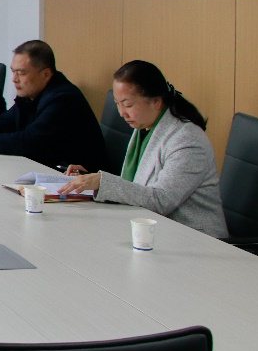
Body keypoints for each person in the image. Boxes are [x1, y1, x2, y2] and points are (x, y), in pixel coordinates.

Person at [59, 61, 227, 237]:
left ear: (156, 102)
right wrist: (89, 180)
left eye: (128, 105)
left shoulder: (187, 141)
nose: (122, 113)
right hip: (154, 231)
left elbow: (161, 201)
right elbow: (137, 187)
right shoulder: (144, 127)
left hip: (194, 239)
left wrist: (102, 182)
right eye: (118, 104)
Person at [0, 40, 106, 171]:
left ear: (46, 74)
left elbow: (28, 142)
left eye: (21, 73)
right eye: (13, 71)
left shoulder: (62, 99)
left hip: (78, 179)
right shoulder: (32, 93)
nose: (14, 79)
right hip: (46, 168)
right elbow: (5, 123)